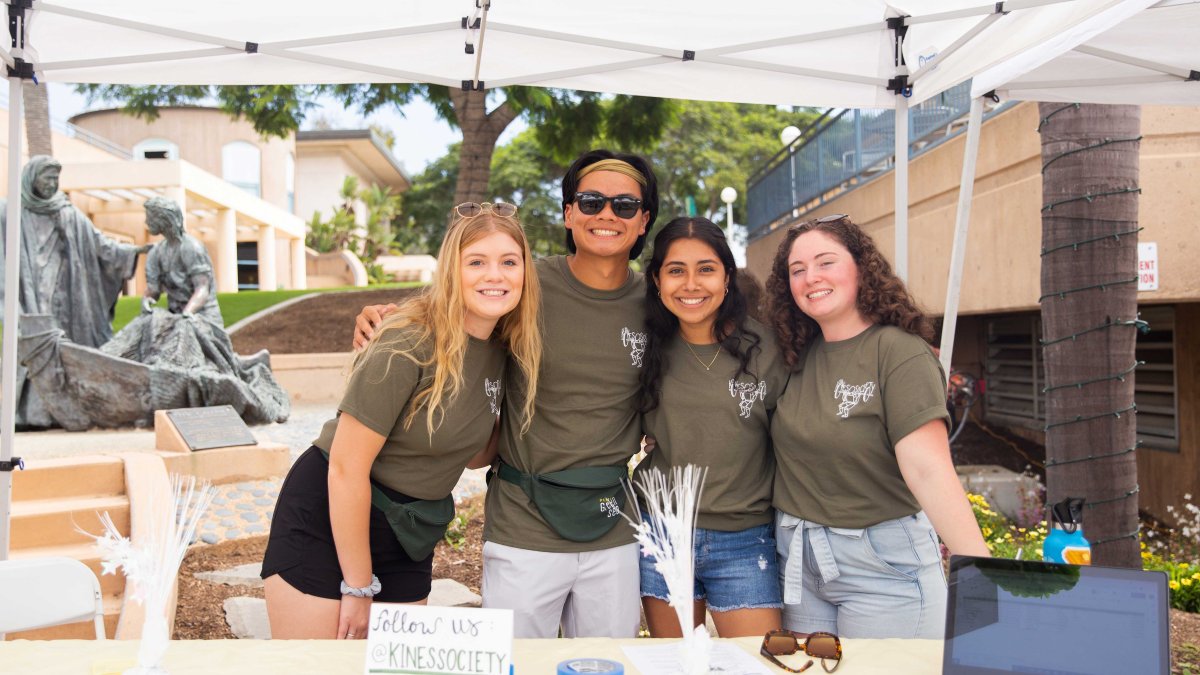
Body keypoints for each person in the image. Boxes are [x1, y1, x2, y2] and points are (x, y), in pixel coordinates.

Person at [354, 149, 659, 639]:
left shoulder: (657, 303)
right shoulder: (526, 283)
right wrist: (385, 314)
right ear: (568, 212)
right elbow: (457, 305)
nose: (606, 213)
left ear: (643, 221)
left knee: (611, 666)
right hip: (524, 526)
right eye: (591, 200)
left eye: (624, 205)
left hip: (612, 524)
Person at [261, 202, 542, 639]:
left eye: (509, 261)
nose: (495, 275)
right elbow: (345, 466)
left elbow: (472, 454)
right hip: (331, 518)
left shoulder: (502, 350)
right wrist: (357, 586)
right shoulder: (407, 338)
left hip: (409, 535)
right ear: (452, 269)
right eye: (477, 262)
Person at [764, 214, 989, 639]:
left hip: (883, 569)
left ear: (861, 268)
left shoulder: (899, 353)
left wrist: (983, 573)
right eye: (797, 270)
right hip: (798, 561)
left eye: (825, 262)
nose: (811, 277)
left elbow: (928, 470)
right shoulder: (795, 355)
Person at [634, 217, 787, 637]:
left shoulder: (769, 348)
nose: (691, 284)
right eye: (675, 270)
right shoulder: (642, 348)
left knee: (759, 664)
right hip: (664, 533)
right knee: (676, 666)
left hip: (745, 537)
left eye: (705, 269)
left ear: (726, 276)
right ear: (657, 280)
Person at [100, 196, 287, 424]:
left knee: (209, 361)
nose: (147, 222)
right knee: (151, 331)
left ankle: (247, 365)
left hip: (201, 314)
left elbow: (202, 288)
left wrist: (189, 313)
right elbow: (153, 288)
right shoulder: (157, 253)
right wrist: (147, 300)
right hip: (178, 317)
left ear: (164, 219)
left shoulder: (192, 248)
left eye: (151, 217)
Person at [0, 156, 148, 428]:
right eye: (47, 177)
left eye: (56, 178)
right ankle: (32, 414)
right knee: (36, 344)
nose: (52, 184)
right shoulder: (10, 212)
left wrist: (132, 252)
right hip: (32, 292)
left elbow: (100, 245)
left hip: (68, 294)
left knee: (67, 343)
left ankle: (70, 407)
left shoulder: (67, 212)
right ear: (32, 178)